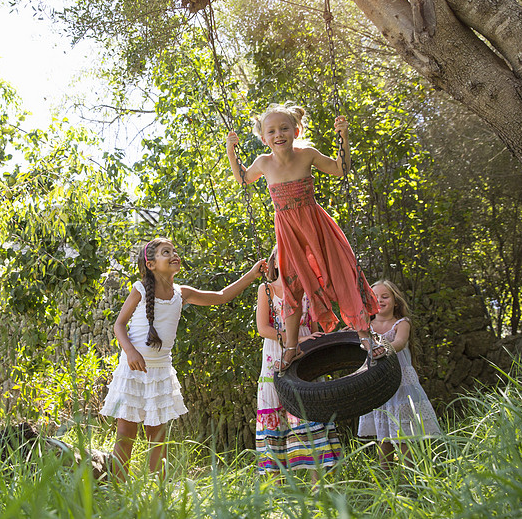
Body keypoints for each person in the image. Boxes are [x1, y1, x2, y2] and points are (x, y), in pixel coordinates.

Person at [225, 102, 380, 372]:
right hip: (288, 232)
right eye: (271, 131)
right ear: (264, 138)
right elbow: (242, 178)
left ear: (295, 131)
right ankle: (291, 347)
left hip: (316, 226)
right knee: (291, 285)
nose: (278, 134)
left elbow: (339, 169)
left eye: (284, 128)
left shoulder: (307, 154)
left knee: (342, 272)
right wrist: (231, 149)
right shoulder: (263, 163)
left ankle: (365, 335)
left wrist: (343, 137)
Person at [100, 237, 264, 481]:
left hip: (160, 371)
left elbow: (220, 295)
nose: (174, 254)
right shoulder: (141, 290)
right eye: (166, 252)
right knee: (126, 432)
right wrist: (130, 352)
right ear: (151, 263)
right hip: (133, 371)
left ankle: (159, 490)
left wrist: (252, 275)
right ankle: (116, 487)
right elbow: (119, 325)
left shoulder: (181, 293)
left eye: (174, 251)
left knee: (157, 435)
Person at [255, 246, 341, 481]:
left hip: (305, 356)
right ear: (273, 262)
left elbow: (314, 330)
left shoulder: (309, 292)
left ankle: (317, 485)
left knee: (308, 409)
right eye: (283, 258)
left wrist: (310, 342)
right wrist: (295, 338)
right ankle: (275, 484)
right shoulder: (267, 290)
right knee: (276, 408)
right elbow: (263, 328)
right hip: (276, 353)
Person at [358, 280, 440, 467]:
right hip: (378, 384)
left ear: (396, 301)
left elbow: (400, 342)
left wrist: (382, 349)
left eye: (385, 296)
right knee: (383, 435)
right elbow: (361, 341)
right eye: (374, 297)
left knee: (405, 433)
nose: (379, 300)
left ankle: (408, 476)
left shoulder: (402, 323)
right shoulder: (366, 327)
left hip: (401, 383)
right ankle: (385, 477)